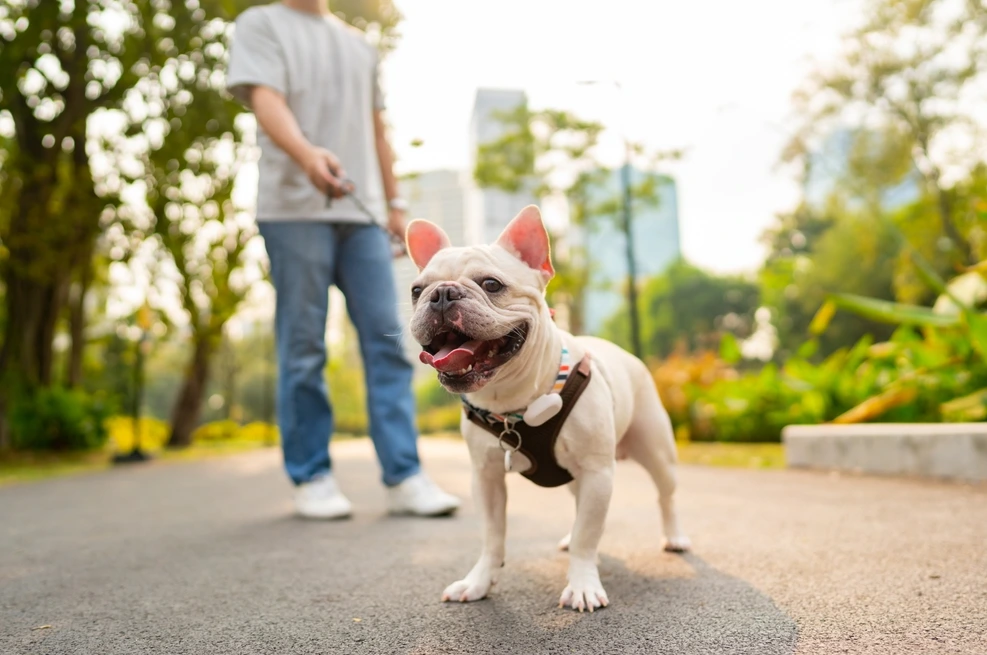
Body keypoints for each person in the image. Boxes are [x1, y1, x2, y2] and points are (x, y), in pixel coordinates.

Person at [226, 0, 460, 519]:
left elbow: (377, 129)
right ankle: (312, 476)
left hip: (363, 216)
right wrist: (308, 154)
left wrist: (395, 204)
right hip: (292, 212)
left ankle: (405, 475)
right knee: (304, 345)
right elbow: (266, 100)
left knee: (389, 340)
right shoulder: (261, 24)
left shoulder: (360, 44)